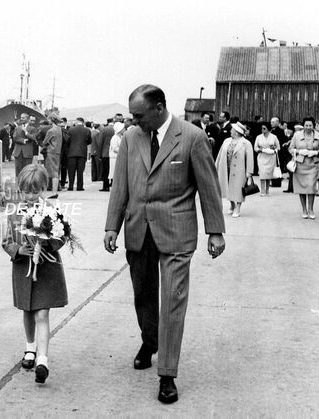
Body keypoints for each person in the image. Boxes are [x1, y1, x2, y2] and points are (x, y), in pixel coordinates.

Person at [104, 84, 225, 404]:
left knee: (172, 302)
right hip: (138, 229)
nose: (134, 121)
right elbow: (121, 186)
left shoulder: (192, 137)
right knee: (143, 295)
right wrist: (112, 226)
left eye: (139, 116)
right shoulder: (131, 138)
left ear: (159, 108)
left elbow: (208, 186)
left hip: (176, 232)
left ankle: (167, 374)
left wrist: (215, 230)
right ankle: (150, 340)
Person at [2, 164, 68, 384]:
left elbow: (62, 237)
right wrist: (18, 250)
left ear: (43, 189)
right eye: (26, 191)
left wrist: (47, 242)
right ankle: (30, 348)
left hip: (46, 270)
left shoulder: (51, 210)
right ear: (20, 190)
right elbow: (6, 241)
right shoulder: (14, 212)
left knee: (42, 314)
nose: (30, 196)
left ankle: (42, 360)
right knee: (28, 311)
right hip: (23, 269)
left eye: (35, 191)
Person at [215, 121, 254, 217]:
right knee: (227, 188)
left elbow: (250, 159)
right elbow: (220, 154)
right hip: (226, 168)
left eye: (232, 130)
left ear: (237, 132)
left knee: (239, 189)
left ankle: (238, 208)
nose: (230, 131)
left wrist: (249, 172)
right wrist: (216, 166)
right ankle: (232, 205)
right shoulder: (226, 141)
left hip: (240, 170)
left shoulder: (246, 143)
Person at [288, 117, 319, 219]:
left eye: (310, 125)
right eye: (306, 125)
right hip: (300, 165)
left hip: (313, 164)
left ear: (313, 126)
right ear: (303, 125)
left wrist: (315, 152)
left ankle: (311, 209)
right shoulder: (297, 135)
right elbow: (290, 149)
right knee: (302, 187)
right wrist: (299, 151)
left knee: (311, 187)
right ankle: (304, 209)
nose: (308, 127)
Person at [253, 122, 280, 196]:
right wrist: (260, 150)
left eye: (264, 128)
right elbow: (255, 147)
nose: (262, 129)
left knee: (268, 174)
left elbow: (278, 147)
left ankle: (267, 190)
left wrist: (274, 148)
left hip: (271, 157)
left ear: (268, 129)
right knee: (262, 173)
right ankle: (262, 190)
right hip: (262, 156)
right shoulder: (258, 137)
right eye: (262, 128)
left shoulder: (274, 137)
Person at [66, 118, 92, 191]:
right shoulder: (87, 130)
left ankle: (71, 186)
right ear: (83, 122)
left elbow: (67, 141)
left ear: (76, 122)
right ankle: (79, 186)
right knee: (80, 171)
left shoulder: (70, 130)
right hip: (82, 153)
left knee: (71, 171)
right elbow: (90, 141)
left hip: (71, 153)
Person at [42, 116, 63, 191]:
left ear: (51, 120)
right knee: (56, 171)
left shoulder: (51, 131)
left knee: (51, 172)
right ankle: (55, 190)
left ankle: (52, 190)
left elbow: (45, 142)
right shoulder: (59, 129)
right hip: (57, 151)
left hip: (51, 152)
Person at [109, 121, 125, 189]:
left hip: (118, 157)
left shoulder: (120, 137)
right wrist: (123, 150)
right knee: (114, 172)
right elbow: (114, 148)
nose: (124, 130)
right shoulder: (115, 138)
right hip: (114, 158)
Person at [98, 122, 114, 191]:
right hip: (115, 153)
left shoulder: (104, 130)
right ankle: (113, 184)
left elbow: (100, 142)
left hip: (105, 153)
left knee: (105, 171)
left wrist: (99, 154)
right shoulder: (117, 129)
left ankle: (106, 186)